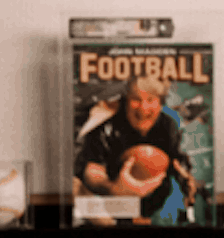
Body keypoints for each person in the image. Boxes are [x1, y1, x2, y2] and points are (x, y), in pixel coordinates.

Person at [76, 75, 195, 221]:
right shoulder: (106, 126)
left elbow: (176, 161)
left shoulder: (168, 125)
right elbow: (92, 170)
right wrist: (112, 188)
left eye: (150, 100)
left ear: (160, 103)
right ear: (126, 101)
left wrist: (185, 179)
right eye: (136, 100)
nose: (144, 108)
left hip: (154, 207)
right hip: (111, 207)